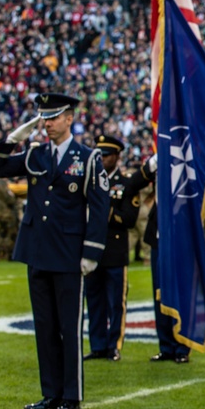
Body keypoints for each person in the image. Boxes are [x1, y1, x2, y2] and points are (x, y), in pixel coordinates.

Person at [0, 93, 109, 409]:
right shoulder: (35, 155)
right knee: (44, 326)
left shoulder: (88, 158)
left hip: (69, 254)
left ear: (70, 118)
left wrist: (91, 252)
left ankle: (71, 395)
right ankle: (50, 393)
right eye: (44, 118)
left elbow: (98, 208)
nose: (48, 123)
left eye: (54, 117)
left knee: (69, 327)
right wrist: (13, 138)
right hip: (37, 250)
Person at [129, 155, 192, 364]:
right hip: (158, 236)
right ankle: (165, 346)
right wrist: (151, 166)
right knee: (159, 292)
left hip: (181, 236)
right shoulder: (157, 162)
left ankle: (182, 346)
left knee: (181, 293)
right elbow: (132, 184)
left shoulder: (188, 159)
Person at [83, 134, 139, 362]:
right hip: (91, 252)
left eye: (106, 155)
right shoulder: (90, 181)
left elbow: (129, 218)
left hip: (115, 251)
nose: (102, 159)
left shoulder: (126, 184)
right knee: (94, 301)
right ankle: (97, 345)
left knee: (116, 303)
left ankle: (113, 345)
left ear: (116, 156)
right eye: (99, 155)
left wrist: (105, 213)